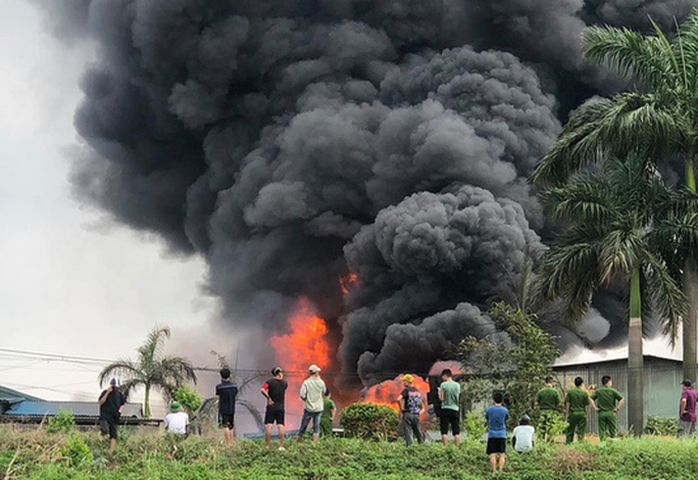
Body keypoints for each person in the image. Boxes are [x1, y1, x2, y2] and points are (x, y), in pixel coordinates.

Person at [297, 364, 326, 442]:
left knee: (303, 427)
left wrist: (306, 400)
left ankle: (297, 443)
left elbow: (302, 395)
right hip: (319, 409)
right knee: (316, 428)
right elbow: (324, 392)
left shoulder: (306, 383)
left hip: (309, 408)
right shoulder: (321, 382)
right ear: (316, 373)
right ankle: (315, 445)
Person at [261, 366, 288, 449]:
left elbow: (262, 389)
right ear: (279, 373)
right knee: (280, 426)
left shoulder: (269, 382)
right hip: (280, 407)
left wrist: (268, 398)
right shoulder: (284, 383)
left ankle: (267, 445)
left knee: (269, 425)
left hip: (271, 407)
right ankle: (280, 446)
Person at [591, 375, 624, 441]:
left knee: (602, 431)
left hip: (601, 413)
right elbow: (622, 399)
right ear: (608, 382)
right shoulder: (613, 391)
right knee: (613, 431)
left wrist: (595, 408)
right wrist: (617, 408)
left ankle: (603, 444)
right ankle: (613, 444)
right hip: (611, 413)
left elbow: (590, 398)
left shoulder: (598, 391)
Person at [396, 374, 424, 446]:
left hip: (408, 414)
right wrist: (419, 411)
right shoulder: (417, 391)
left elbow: (398, 399)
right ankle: (422, 446)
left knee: (408, 432)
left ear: (408, 382)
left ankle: (410, 448)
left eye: (404, 381)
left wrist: (402, 409)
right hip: (416, 414)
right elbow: (420, 403)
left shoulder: (406, 390)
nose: (403, 383)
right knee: (418, 431)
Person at [98, 378, 125, 450]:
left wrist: (119, 411)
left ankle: (111, 451)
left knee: (114, 435)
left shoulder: (119, 394)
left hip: (114, 416)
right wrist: (107, 393)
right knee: (104, 430)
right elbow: (100, 402)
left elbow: (122, 404)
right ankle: (101, 445)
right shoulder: (104, 392)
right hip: (105, 415)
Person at [485, 391, 509, 473]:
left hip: (492, 434)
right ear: (502, 400)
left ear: (494, 400)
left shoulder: (489, 410)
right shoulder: (505, 410)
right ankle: (500, 470)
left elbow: (487, 419)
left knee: (492, 454)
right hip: (502, 434)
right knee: (502, 454)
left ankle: (494, 470)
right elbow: (506, 419)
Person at [565, 377, 592, 443]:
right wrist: (586, 415)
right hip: (581, 414)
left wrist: (567, 414)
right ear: (581, 384)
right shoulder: (584, 393)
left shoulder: (570, 392)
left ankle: (569, 444)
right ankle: (580, 444)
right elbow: (586, 406)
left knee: (570, 431)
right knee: (581, 431)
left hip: (573, 414)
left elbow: (568, 404)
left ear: (574, 383)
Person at [438, 369, 461, 447]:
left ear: (445, 376)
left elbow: (442, 398)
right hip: (455, 409)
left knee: (444, 431)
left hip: (445, 408)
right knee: (456, 431)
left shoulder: (443, 385)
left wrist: (439, 392)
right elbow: (457, 398)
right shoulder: (457, 385)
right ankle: (457, 448)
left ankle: (445, 448)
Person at [216, 368, 238, 446]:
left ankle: (228, 444)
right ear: (229, 375)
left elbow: (218, 393)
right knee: (231, 426)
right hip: (232, 408)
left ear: (221, 376)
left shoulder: (219, 387)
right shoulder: (234, 386)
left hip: (223, 409)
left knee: (225, 426)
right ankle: (231, 443)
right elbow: (235, 393)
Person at [535, 376, 562, 441]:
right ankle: (550, 441)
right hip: (552, 412)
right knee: (551, 428)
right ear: (552, 382)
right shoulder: (555, 391)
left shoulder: (540, 391)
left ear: (545, 383)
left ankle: (541, 441)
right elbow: (559, 403)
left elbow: (536, 403)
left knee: (542, 428)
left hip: (543, 411)